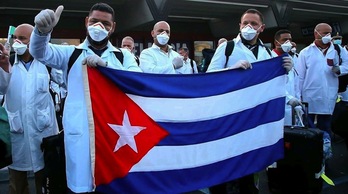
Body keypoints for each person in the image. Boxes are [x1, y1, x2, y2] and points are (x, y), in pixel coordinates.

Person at [29, 3, 142, 193]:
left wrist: (106, 67)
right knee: (81, 186)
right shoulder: (70, 54)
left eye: (105, 24)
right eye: (94, 21)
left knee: (113, 185)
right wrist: (41, 32)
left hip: (114, 135)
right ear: (86, 22)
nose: (99, 27)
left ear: (113, 27)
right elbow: (39, 52)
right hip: (80, 133)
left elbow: (136, 81)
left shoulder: (124, 56)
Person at [207, 9, 293, 194]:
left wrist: (286, 75)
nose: (249, 27)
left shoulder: (267, 52)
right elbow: (209, 77)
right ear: (239, 25)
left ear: (261, 28)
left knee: (249, 161)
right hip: (229, 116)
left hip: (253, 117)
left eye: (253, 24)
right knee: (224, 161)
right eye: (245, 23)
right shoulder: (228, 48)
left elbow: (273, 87)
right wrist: (231, 70)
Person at [0, 23, 59, 194]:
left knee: (45, 182)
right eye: (15, 38)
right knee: (16, 184)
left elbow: (66, 81)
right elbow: (2, 89)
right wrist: (3, 67)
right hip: (17, 132)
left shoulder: (46, 62)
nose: (17, 41)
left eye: (22, 38)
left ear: (32, 41)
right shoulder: (8, 62)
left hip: (42, 132)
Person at [297, 23, 348, 142]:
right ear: (316, 33)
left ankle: (325, 154)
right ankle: (309, 154)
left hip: (328, 94)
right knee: (308, 129)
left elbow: (347, 64)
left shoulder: (338, 50)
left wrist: (340, 69)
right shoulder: (306, 52)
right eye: (325, 33)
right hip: (309, 96)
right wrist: (298, 95)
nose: (328, 36)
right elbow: (300, 76)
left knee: (325, 127)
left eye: (330, 33)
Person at [272, 29, 302, 126]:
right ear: (276, 42)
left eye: (290, 39)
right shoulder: (269, 58)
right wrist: (289, 98)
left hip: (292, 107)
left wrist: (298, 102)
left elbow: (295, 83)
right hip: (277, 106)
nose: (288, 42)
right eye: (284, 40)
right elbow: (272, 85)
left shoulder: (291, 58)